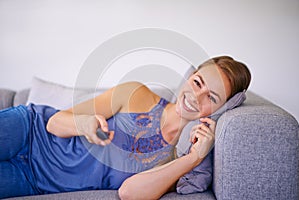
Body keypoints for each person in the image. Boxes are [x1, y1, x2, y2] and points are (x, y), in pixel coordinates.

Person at [0, 56, 251, 199]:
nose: (197, 96)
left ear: (218, 110)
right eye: (197, 82)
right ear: (189, 76)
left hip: (33, 180)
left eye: (212, 98)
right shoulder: (135, 93)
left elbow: (129, 193)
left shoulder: (177, 158)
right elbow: (54, 124)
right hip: (29, 130)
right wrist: (84, 123)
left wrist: (195, 158)